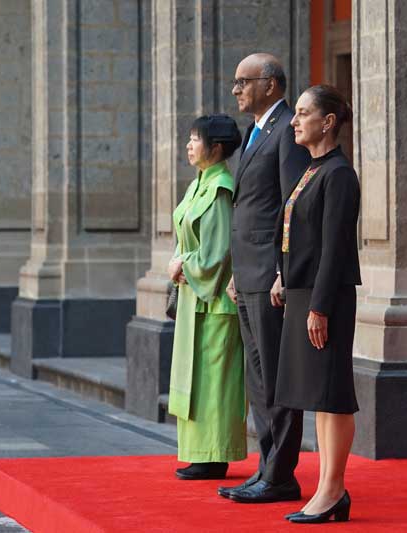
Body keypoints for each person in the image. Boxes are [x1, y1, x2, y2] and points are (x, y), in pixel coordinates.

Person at [218, 53, 311, 503]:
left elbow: (292, 205)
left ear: (272, 85)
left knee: (276, 378)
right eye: (235, 82)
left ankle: (281, 476)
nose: (236, 89)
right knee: (258, 382)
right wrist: (239, 272)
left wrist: (281, 270)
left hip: (269, 277)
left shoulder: (287, 130)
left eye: (244, 81)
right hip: (247, 274)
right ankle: (266, 468)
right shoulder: (256, 132)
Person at [274, 84, 361, 524]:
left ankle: (333, 490)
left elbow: (335, 247)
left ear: (327, 122)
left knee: (333, 394)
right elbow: (296, 234)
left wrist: (320, 307)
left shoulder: (339, 174)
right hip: (304, 294)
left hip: (326, 297)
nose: (294, 120)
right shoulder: (313, 170)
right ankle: (329, 488)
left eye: (303, 113)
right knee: (318, 397)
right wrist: (282, 277)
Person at [167, 115, 247, 480]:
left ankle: (215, 454)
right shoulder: (198, 185)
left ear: (215, 148)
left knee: (215, 381)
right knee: (198, 378)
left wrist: (182, 263)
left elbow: (216, 254)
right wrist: (180, 260)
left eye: (195, 139)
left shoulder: (220, 190)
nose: (188, 145)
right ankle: (201, 451)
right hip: (194, 297)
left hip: (214, 300)